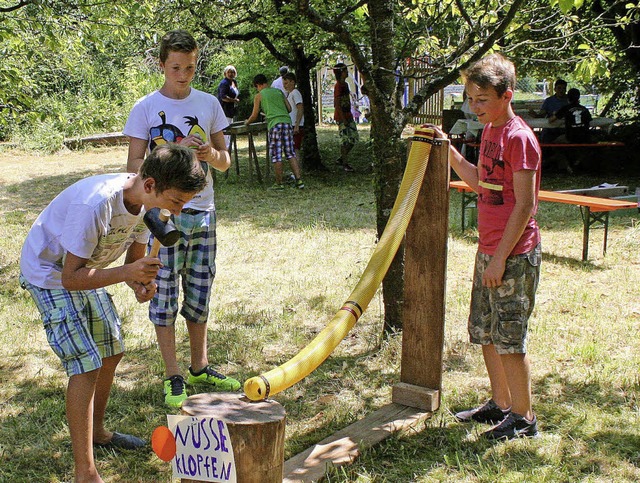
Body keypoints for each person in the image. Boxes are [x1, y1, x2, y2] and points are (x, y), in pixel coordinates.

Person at [19, 144, 207, 482]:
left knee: (112, 351)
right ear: (150, 184)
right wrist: (127, 274)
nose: (177, 212)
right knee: (86, 364)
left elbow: (130, 263)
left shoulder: (144, 204)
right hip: (50, 273)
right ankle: (85, 471)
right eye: (176, 201)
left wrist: (139, 283)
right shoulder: (96, 205)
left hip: (83, 270)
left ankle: (98, 432)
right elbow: (70, 278)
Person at [123, 30, 240, 409]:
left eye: (190, 67)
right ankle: (173, 373)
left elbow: (225, 161)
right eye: (175, 67)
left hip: (203, 212)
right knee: (164, 290)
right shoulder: (144, 107)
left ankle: (200, 366)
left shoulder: (208, 104)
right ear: (162, 65)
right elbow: (133, 168)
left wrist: (208, 154)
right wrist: (171, 157)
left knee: (201, 286)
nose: (183, 74)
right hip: (162, 216)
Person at [431, 53, 542, 440]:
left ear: (506, 95)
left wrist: (499, 260)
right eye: (470, 99)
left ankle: (524, 419)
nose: (473, 107)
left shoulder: (519, 138)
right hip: (490, 252)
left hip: (512, 255)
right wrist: (449, 151)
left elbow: (525, 204)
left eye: (481, 100)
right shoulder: (490, 131)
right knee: (486, 332)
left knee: (510, 338)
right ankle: (501, 403)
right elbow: (482, 182)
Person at [245, 73, 304, 190]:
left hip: (274, 125)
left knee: (277, 154)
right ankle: (299, 180)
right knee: (290, 153)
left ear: (258, 85)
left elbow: (254, 115)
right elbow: (289, 108)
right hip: (287, 123)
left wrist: (247, 122)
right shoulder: (279, 92)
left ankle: (279, 183)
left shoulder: (259, 95)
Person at [333, 62, 358, 172]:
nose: (347, 72)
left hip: (349, 115)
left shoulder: (345, 84)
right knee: (345, 140)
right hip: (342, 117)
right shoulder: (338, 86)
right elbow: (337, 103)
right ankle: (344, 163)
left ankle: (342, 158)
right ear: (340, 73)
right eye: (345, 71)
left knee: (353, 138)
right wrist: (343, 119)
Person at [531, 78, 569, 143]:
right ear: (555, 89)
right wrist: (536, 115)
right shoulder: (549, 101)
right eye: (559, 88)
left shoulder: (569, 100)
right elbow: (542, 114)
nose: (561, 90)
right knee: (544, 137)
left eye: (563, 88)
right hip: (551, 128)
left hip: (566, 128)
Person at [217, 65, 240, 149]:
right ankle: (225, 148)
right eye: (229, 72)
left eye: (232, 72)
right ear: (225, 73)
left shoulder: (234, 82)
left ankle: (229, 147)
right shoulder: (224, 83)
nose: (231, 74)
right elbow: (223, 97)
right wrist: (234, 100)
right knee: (226, 129)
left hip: (231, 110)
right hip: (224, 110)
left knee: (230, 127)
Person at [282, 72, 305, 153]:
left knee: (295, 150)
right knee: (292, 150)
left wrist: (297, 125)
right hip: (292, 125)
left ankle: (297, 165)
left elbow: (300, 108)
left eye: (286, 83)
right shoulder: (290, 94)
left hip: (296, 126)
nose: (285, 85)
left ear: (292, 82)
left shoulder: (295, 93)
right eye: (283, 84)